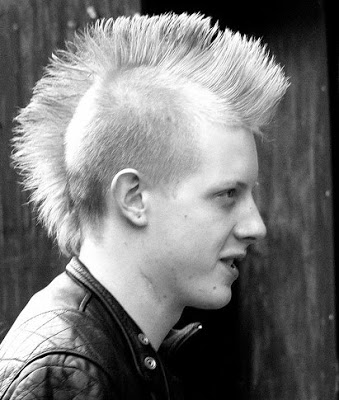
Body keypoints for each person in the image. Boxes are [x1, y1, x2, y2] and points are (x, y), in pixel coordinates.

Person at [0, 12, 289, 399]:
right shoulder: (66, 371)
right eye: (227, 195)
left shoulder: (124, 353)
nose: (255, 226)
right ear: (133, 199)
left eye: (250, 193)